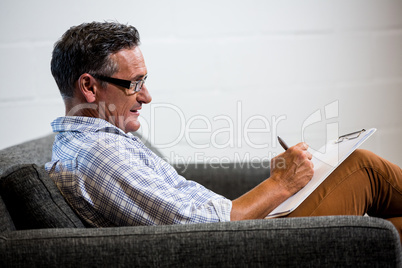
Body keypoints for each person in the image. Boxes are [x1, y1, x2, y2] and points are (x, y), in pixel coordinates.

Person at [45, 22, 402, 241]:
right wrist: (282, 184)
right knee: (361, 168)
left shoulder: (92, 143)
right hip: (242, 246)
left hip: (235, 232)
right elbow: (205, 229)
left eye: (145, 81)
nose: (147, 96)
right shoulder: (100, 155)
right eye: (133, 83)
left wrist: (280, 185)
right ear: (89, 87)